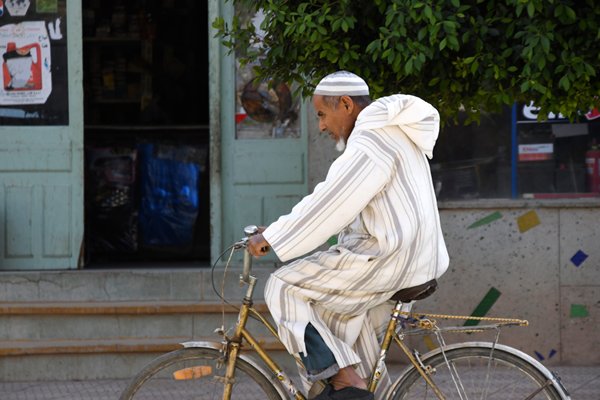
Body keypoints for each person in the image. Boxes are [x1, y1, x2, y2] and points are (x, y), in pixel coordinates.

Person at [247, 71, 449, 400]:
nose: (322, 126)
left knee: (283, 286)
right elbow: (340, 201)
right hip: (411, 258)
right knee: (342, 335)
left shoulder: (371, 142)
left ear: (346, 104)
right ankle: (357, 385)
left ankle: (343, 380)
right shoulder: (391, 133)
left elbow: (330, 204)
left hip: (388, 258)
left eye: (323, 115)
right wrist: (277, 229)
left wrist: (275, 237)